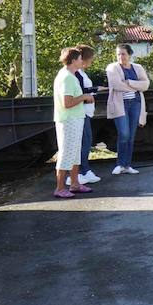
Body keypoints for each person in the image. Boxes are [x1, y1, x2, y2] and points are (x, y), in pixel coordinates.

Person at [53, 47, 94, 198]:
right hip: (68, 120)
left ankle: (75, 184)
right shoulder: (67, 77)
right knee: (66, 153)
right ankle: (60, 187)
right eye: (79, 58)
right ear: (73, 60)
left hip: (75, 119)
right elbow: (67, 103)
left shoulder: (69, 75)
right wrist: (84, 97)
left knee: (75, 153)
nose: (82, 61)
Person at [106, 43, 150, 175]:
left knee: (131, 135)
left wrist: (129, 82)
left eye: (123, 54)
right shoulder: (112, 67)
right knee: (124, 133)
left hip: (135, 103)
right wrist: (137, 86)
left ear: (129, 55)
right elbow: (116, 85)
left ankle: (127, 165)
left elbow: (146, 85)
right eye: (118, 54)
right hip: (121, 104)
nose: (120, 56)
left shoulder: (138, 67)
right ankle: (119, 164)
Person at [75, 45, 102, 185]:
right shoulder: (77, 73)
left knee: (86, 141)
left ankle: (85, 170)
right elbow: (80, 91)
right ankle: (80, 172)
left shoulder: (82, 73)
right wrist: (92, 92)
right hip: (82, 111)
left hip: (86, 111)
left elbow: (85, 89)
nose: (92, 61)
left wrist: (95, 89)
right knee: (84, 142)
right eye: (91, 59)